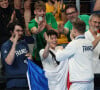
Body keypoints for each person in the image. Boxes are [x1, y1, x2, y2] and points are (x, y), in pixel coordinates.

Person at [55, 19, 95, 90]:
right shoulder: (89, 43)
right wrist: (73, 40)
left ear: (75, 31)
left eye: (72, 29)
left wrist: (58, 49)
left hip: (79, 83)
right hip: (90, 82)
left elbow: (58, 57)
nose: (71, 30)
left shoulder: (73, 44)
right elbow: (80, 50)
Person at [1, 21, 32, 89]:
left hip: (27, 80)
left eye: (21, 31)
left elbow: (27, 59)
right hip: (14, 81)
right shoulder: (6, 45)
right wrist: (14, 43)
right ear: (11, 32)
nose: (20, 33)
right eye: (17, 31)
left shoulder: (23, 43)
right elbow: (9, 62)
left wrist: (30, 58)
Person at [28, 1, 58, 68]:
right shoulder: (31, 23)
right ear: (35, 12)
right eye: (40, 11)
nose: (42, 13)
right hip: (38, 55)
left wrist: (46, 25)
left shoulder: (49, 16)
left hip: (52, 52)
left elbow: (56, 32)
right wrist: (39, 29)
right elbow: (34, 31)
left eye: (44, 11)